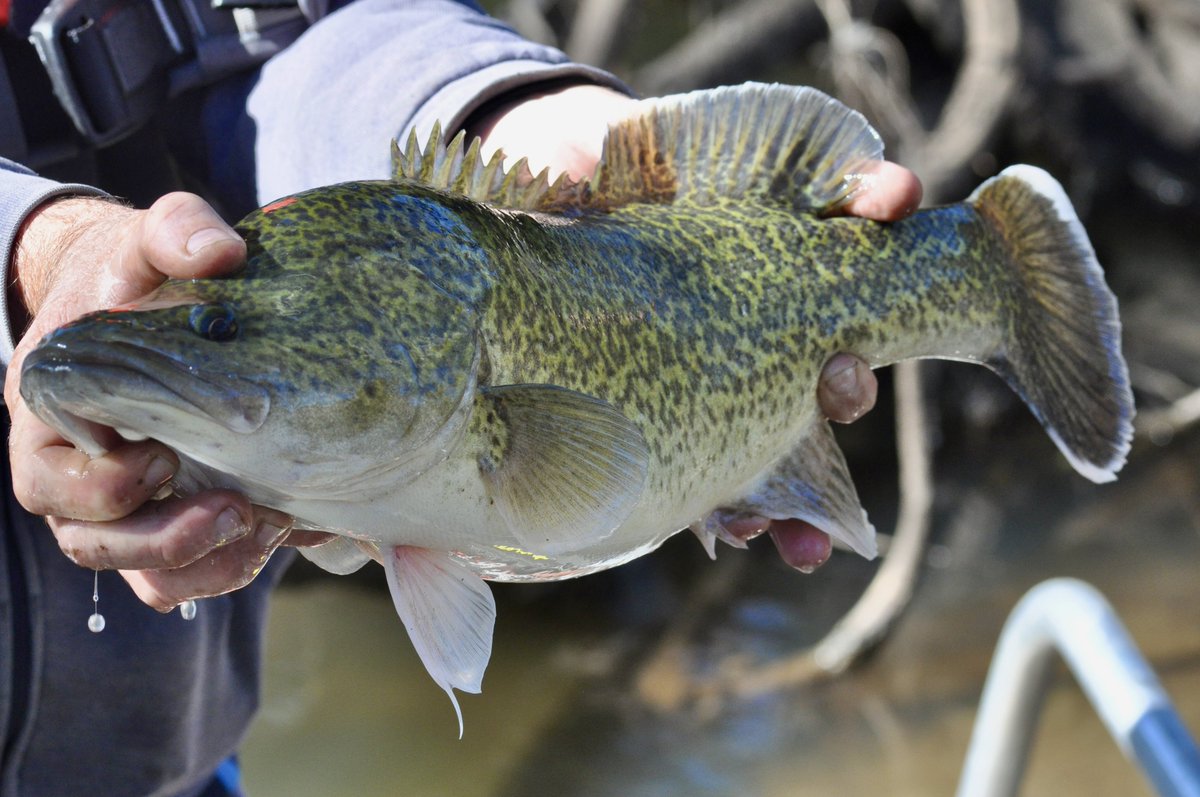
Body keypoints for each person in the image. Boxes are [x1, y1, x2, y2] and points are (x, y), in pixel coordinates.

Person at [0, 0, 921, 793]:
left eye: (219, 330)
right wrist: (35, 246)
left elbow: (272, 28)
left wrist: (492, 103)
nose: (200, 346)